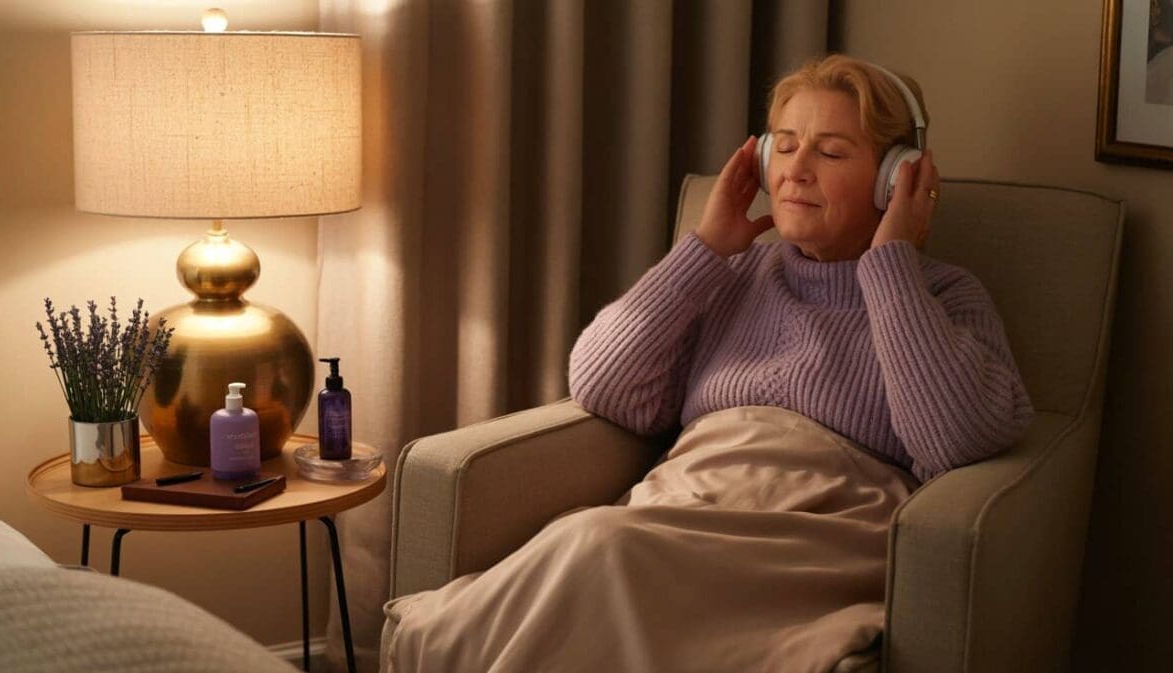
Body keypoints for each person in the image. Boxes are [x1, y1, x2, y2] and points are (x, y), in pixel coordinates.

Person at [382, 54, 1034, 673]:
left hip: (816, 542)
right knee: (598, 544)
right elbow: (601, 383)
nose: (796, 169)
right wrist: (708, 245)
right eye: (783, 143)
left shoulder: (944, 295)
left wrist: (891, 264)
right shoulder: (734, 274)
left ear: (899, 177)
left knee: (597, 544)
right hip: (684, 509)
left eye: (831, 151)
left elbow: (957, 441)